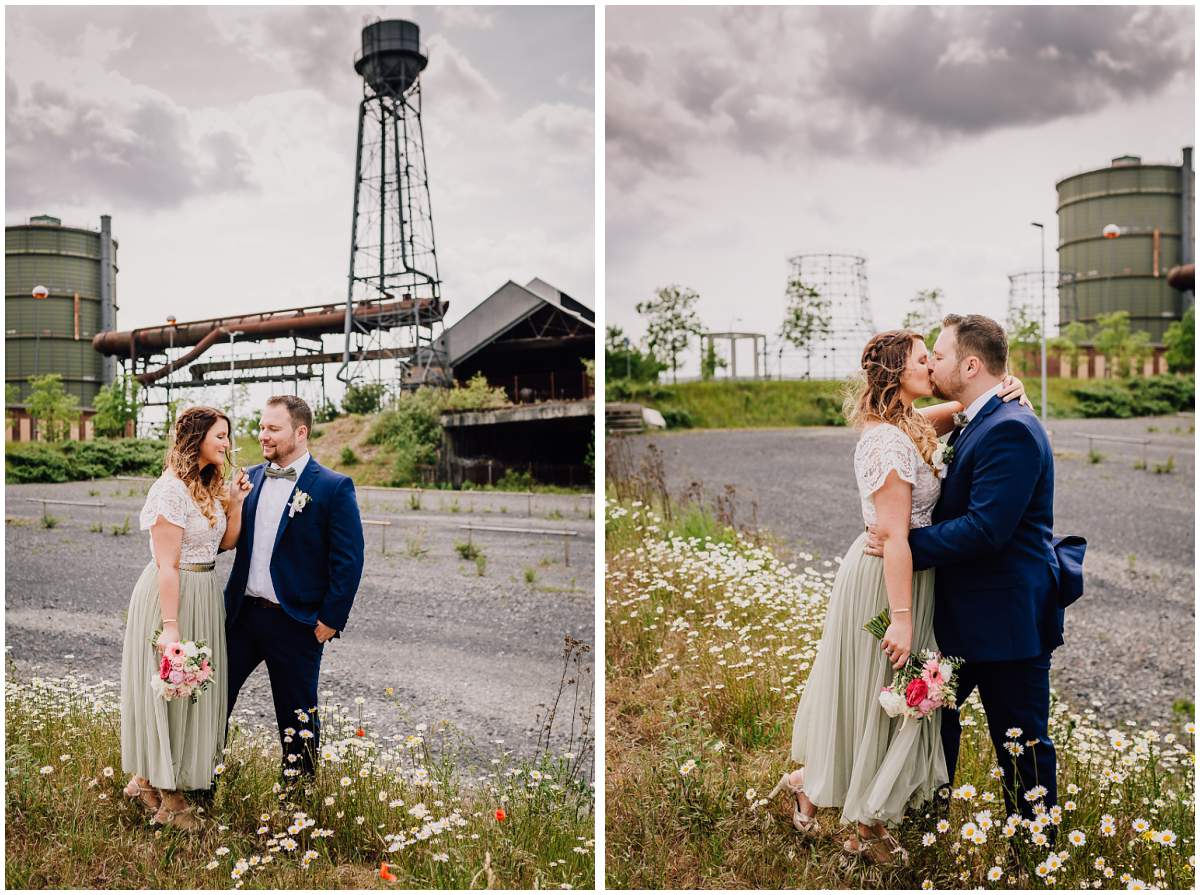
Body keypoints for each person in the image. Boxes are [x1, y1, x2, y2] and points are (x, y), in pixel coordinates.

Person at [772, 326, 1032, 865]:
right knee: (887, 696)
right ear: (899, 372)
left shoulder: (907, 423)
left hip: (912, 576)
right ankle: (865, 828)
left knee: (886, 698)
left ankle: (809, 782)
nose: (933, 366)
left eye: (935, 357)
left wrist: (1008, 384)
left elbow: (963, 412)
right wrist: (902, 618)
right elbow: (893, 536)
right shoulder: (888, 440)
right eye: (924, 359)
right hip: (888, 584)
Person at [865, 314, 1065, 831]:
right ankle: (924, 831)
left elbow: (985, 529)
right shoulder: (980, 416)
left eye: (942, 354)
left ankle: (1037, 852)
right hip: (959, 616)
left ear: (971, 364)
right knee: (929, 727)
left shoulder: (1012, 429)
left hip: (1006, 621)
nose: (933, 361)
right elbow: (900, 427)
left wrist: (901, 544)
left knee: (1021, 743)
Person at [120, 406, 252, 831]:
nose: (227, 444)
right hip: (170, 600)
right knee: (171, 690)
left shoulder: (208, 486)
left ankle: (144, 781)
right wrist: (171, 627)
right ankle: (171, 798)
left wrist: (237, 504)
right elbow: (167, 565)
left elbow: (224, 544)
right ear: (197, 438)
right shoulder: (170, 491)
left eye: (228, 436)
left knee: (191, 691)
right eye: (220, 436)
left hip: (206, 594)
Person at [224, 395, 365, 780]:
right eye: (261, 426)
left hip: (296, 622)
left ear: (300, 433)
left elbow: (348, 560)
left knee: (297, 719)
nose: (262, 435)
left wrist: (330, 620)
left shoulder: (334, 487)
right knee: (213, 703)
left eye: (273, 428)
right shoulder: (249, 478)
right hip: (241, 616)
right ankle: (204, 783)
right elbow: (230, 540)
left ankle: (297, 806)